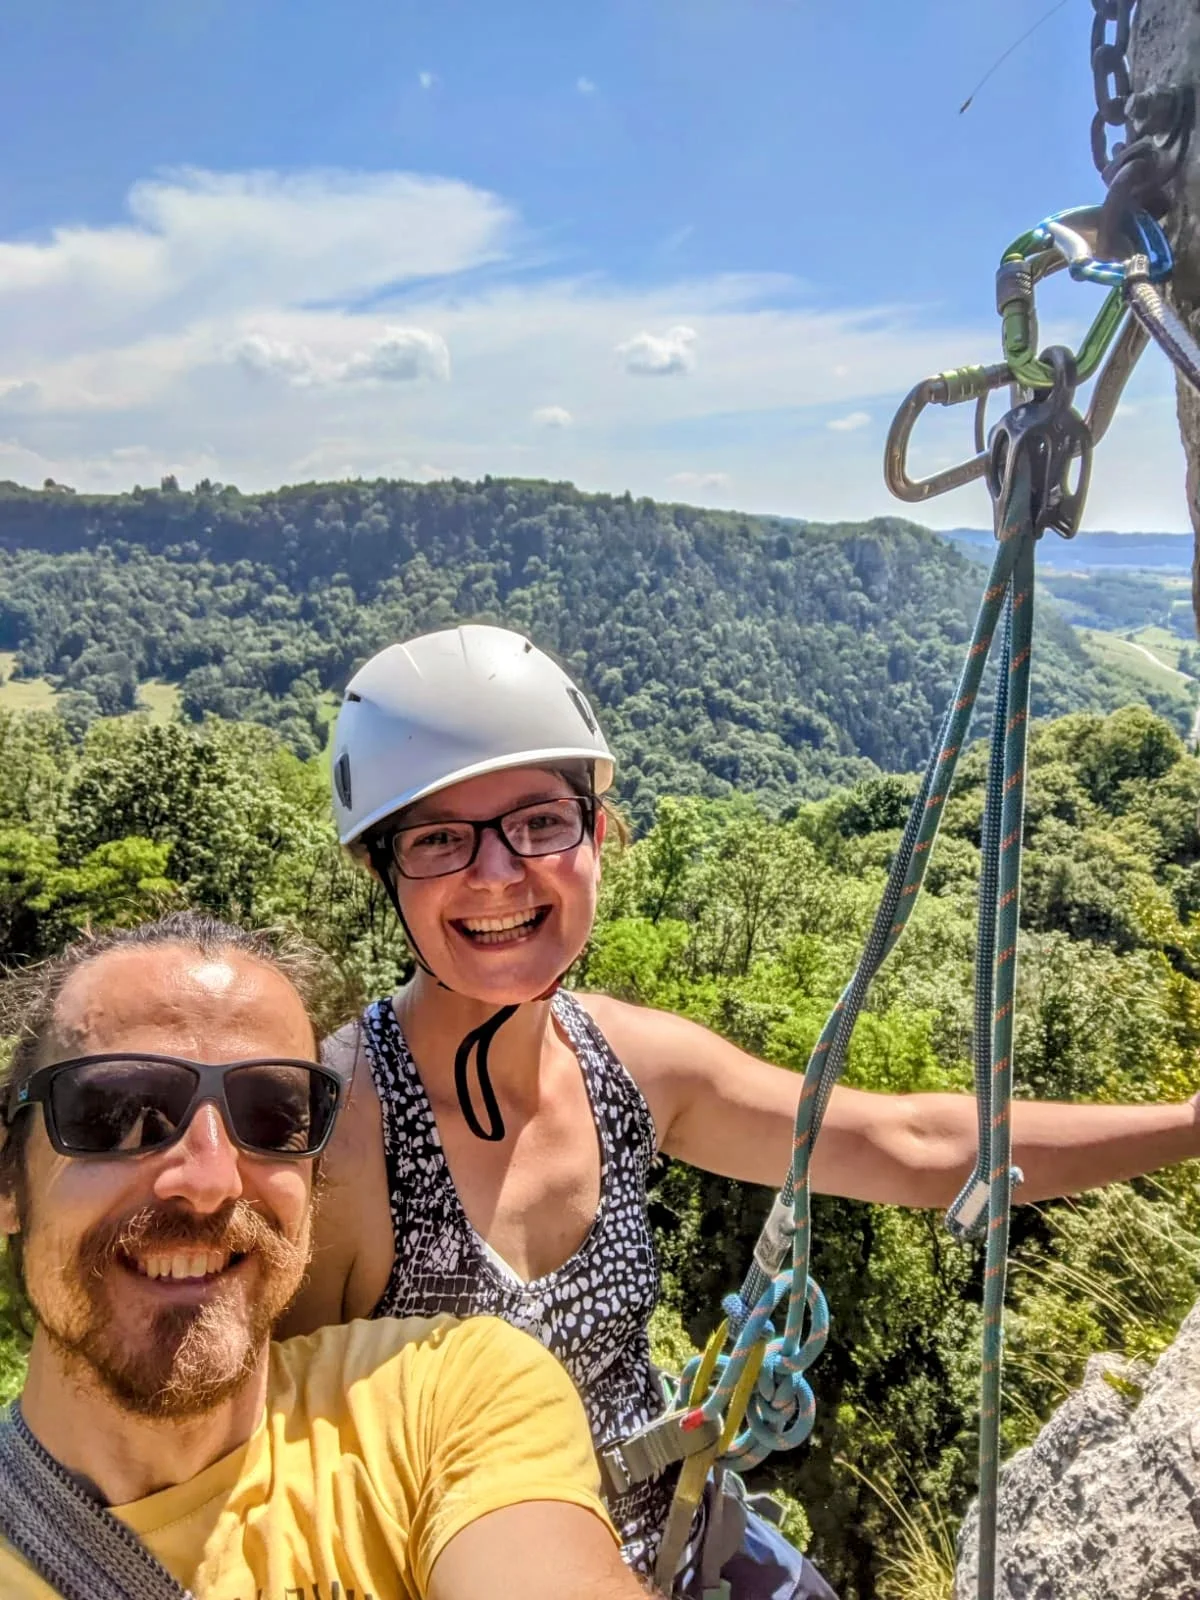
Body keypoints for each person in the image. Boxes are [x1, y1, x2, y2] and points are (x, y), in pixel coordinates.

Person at [282, 624, 1200, 1599]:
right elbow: (265, 1469)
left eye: (540, 820)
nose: (501, 871)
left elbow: (914, 1144)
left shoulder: (625, 1066)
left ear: (597, 832)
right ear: (383, 871)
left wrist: (1190, 1124)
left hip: (687, 1540)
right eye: (438, 837)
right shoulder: (335, 1140)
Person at [0, 911, 646, 1600]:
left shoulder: (441, 1399)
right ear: (10, 1179)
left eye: (273, 1116)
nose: (211, 1179)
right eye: (121, 1113)